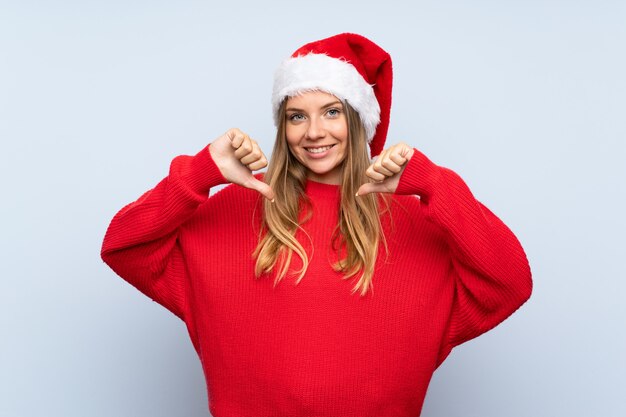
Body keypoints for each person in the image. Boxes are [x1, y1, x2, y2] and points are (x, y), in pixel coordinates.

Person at [101, 33, 532, 417]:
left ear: (360, 120)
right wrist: (200, 173)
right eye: (296, 116)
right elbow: (123, 246)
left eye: (331, 112)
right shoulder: (236, 208)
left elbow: (510, 282)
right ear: (282, 126)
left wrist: (435, 184)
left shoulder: (417, 223)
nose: (313, 131)